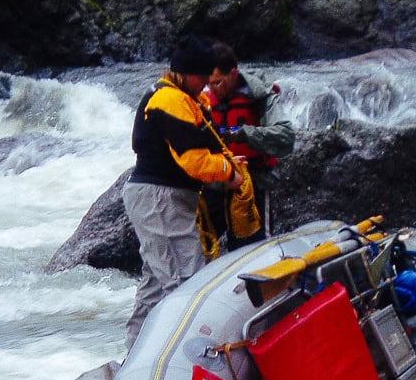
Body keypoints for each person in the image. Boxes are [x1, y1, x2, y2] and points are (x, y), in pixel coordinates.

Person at [123, 34, 246, 349]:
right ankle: (179, 356)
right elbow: (194, 161)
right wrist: (228, 172)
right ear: (185, 72)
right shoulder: (170, 100)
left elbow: (204, 148)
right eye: (202, 76)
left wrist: (226, 162)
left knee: (155, 281)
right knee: (185, 282)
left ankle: (137, 351)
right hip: (160, 198)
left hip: (159, 196)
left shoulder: (183, 97)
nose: (206, 83)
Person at [204, 42, 295, 250]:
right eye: (209, 83)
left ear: (234, 73)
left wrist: (243, 134)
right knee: (203, 246)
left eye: (218, 82)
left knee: (254, 250)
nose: (213, 89)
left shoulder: (260, 96)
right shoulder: (204, 101)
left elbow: (286, 136)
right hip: (217, 183)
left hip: (254, 182)